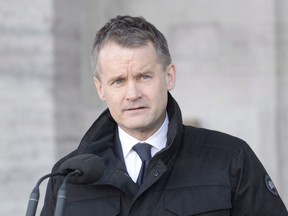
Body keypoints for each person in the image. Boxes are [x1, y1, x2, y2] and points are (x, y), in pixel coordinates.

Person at [40, 15, 288, 216]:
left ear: (169, 76)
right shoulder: (67, 178)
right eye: (118, 81)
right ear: (101, 88)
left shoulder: (230, 159)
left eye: (144, 76)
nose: (133, 93)